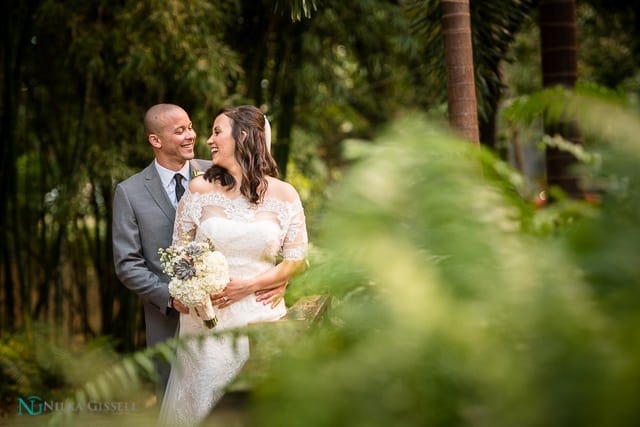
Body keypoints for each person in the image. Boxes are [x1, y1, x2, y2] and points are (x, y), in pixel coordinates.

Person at [158, 105, 308, 427]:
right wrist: (193, 289)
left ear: (242, 136)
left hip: (262, 317)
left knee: (261, 409)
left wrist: (251, 285)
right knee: (207, 407)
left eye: (216, 131)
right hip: (208, 322)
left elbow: (297, 260)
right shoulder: (198, 191)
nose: (208, 140)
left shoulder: (285, 195)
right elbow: (179, 256)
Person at [112, 103, 211, 399]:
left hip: (223, 314)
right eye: (179, 130)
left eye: (190, 127)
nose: (190, 135)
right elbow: (128, 264)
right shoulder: (129, 193)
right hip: (166, 321)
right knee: (174, 400)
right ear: (156, 140)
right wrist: (171, 297)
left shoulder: (217, 174)